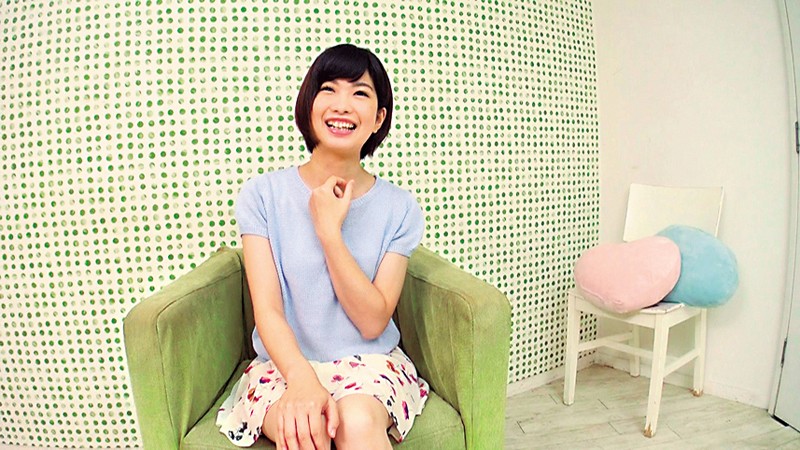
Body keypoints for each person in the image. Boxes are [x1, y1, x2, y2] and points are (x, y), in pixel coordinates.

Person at [216, 44, 429, 450]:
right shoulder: (262, 195)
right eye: (328, 89)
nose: (342, 105)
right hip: (284, 366)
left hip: (370, 364)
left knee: (356, 422)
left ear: (379, 118)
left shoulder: (400, 207)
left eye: (360, 93)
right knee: (305, 428)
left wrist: (329, 231)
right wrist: (301, 380)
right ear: (309, 104)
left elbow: (373, 322)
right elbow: (268, 310)